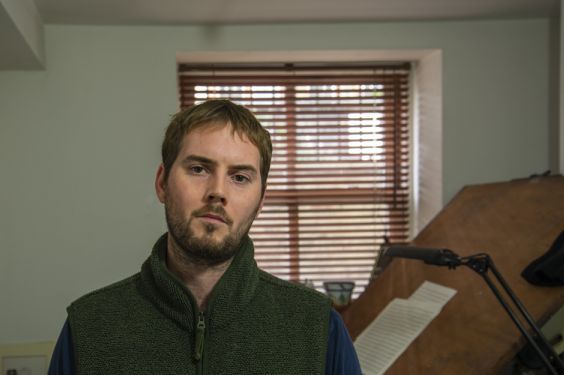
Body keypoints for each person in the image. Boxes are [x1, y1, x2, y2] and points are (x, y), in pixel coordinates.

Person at [48, 99, 361, 374]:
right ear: (162, 183)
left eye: (239, 177)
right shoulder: (88, 328)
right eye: (198, 169)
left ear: (260, 202)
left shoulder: (319, 329)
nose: (218, 192)